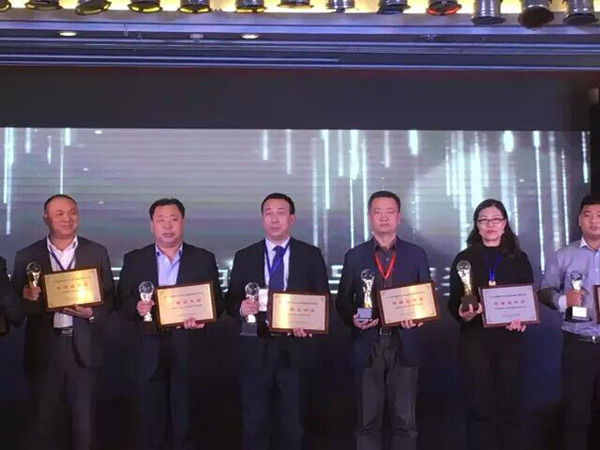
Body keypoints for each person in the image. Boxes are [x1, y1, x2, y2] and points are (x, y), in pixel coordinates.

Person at [117, 198, 224, 450]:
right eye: (161, 220)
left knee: (186, 421)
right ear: (151, 225)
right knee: (151, 424)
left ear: (182, 222)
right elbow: (121, 302)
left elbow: (217, 302)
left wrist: (203, 317)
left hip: (188, 347)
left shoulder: (203, 258)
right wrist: (137, 307)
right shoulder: (134, 259)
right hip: (148, 348)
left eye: (173, 219)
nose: (167, 226)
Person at [226, 193, 329, 450]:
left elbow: (323, 300)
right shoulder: (245, 256)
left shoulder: (310, 255)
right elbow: (231, 300)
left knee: (293, 424)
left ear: (292, 218)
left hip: (295, 349)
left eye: (280, 213)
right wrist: (241, 308)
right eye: (268, 213)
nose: (274, 219)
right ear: (262, 219)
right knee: (254, 423)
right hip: (255, 347)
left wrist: (310, 324)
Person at [12, 194, 115, 450]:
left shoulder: (96, 252)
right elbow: (16, 309)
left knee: (85, 426)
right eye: (59, 213)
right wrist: (25, 296)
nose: (67, 218)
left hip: (84, 348)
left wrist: (91, 313)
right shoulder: (27, 255)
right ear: (46, 218)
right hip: (45, 348)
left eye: (72, 212)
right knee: (44, 424)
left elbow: (110, 298)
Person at [336, 190, 431, 450]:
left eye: (390, 212)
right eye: (378, 212)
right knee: (367, 422)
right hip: (368, 342)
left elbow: (425, 296)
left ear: (399, 217)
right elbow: (343, 300)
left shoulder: (416, 254)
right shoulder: (355, 256)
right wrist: (353, 318)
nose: (384, 217)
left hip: (404, 343)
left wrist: (418, 317)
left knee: (405, 423)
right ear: (370, 217)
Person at [448, 198, 533, 450]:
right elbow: (454, 301)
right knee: (479, 408)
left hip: (509, 341)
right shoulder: (464, 259)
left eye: (495, 219)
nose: (490, 224)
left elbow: (527, 298)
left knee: (510, 407)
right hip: (475, 341)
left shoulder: (519, 258)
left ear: (505, 224)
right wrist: (463, 314)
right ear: (477, 225)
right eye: (483, 220)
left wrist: (522, 320)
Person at [539, 194, 600, 450]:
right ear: (579, 220)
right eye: (588, 215)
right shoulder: (564, 255)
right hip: (578, 343)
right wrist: (564, 300)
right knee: (576, 413)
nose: (594, 221)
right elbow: (544, 291)